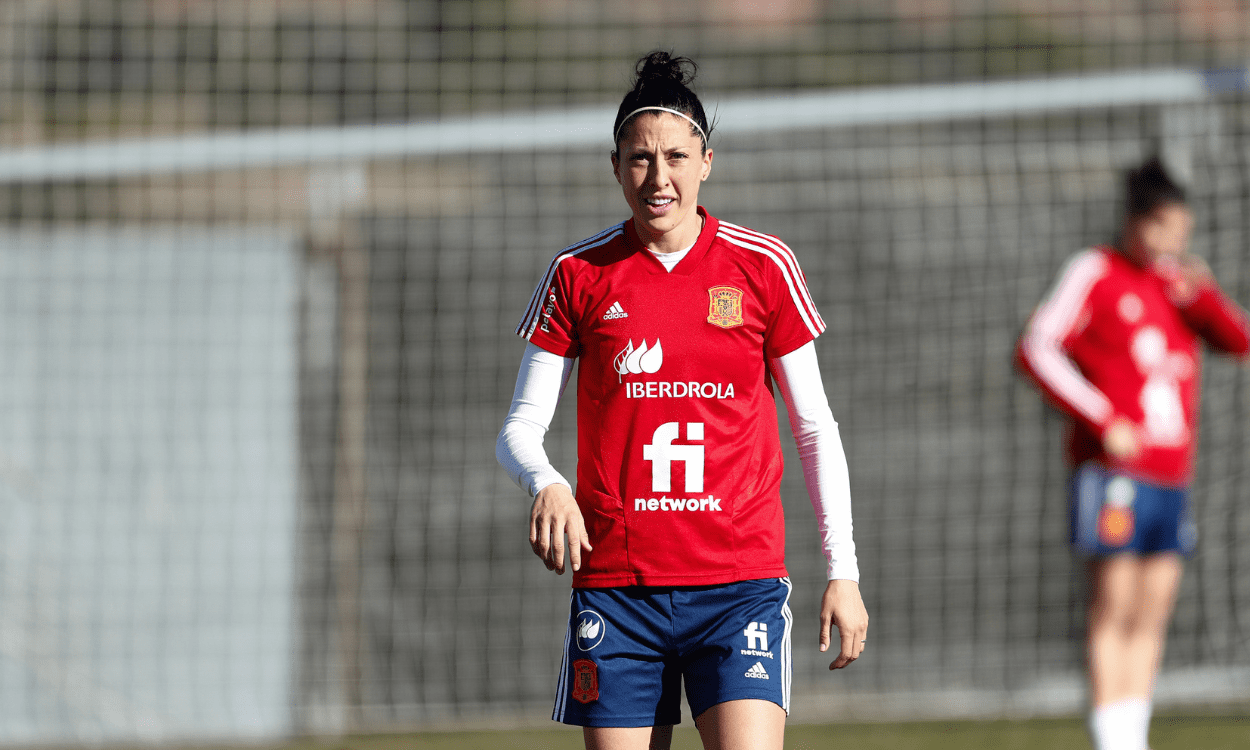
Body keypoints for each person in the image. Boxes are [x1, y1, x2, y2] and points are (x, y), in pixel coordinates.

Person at [496, 51, 868, 750]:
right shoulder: (577, 274)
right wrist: (545, 481)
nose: (657, 177)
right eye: (639, 159)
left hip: (739, 585)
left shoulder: (764, 266)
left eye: (674, 156)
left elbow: (815, 428)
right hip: (617, 589)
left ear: (706, 162)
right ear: (616, 167)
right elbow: (519, 428)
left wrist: (842, 572)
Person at [1016, 157, 1250, 750]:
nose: (1176, 240)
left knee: (1153, 609)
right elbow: (1038, 347)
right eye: (1168, 226)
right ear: (1138, 222)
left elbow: (1239, 341)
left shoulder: (1179, 287)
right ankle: (1109, 736)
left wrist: (1207, 295)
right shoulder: (1096, 270)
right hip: (1113, 473)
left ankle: (1131, 736)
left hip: (1172, 476)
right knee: (1114, 603)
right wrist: (1103, 417)